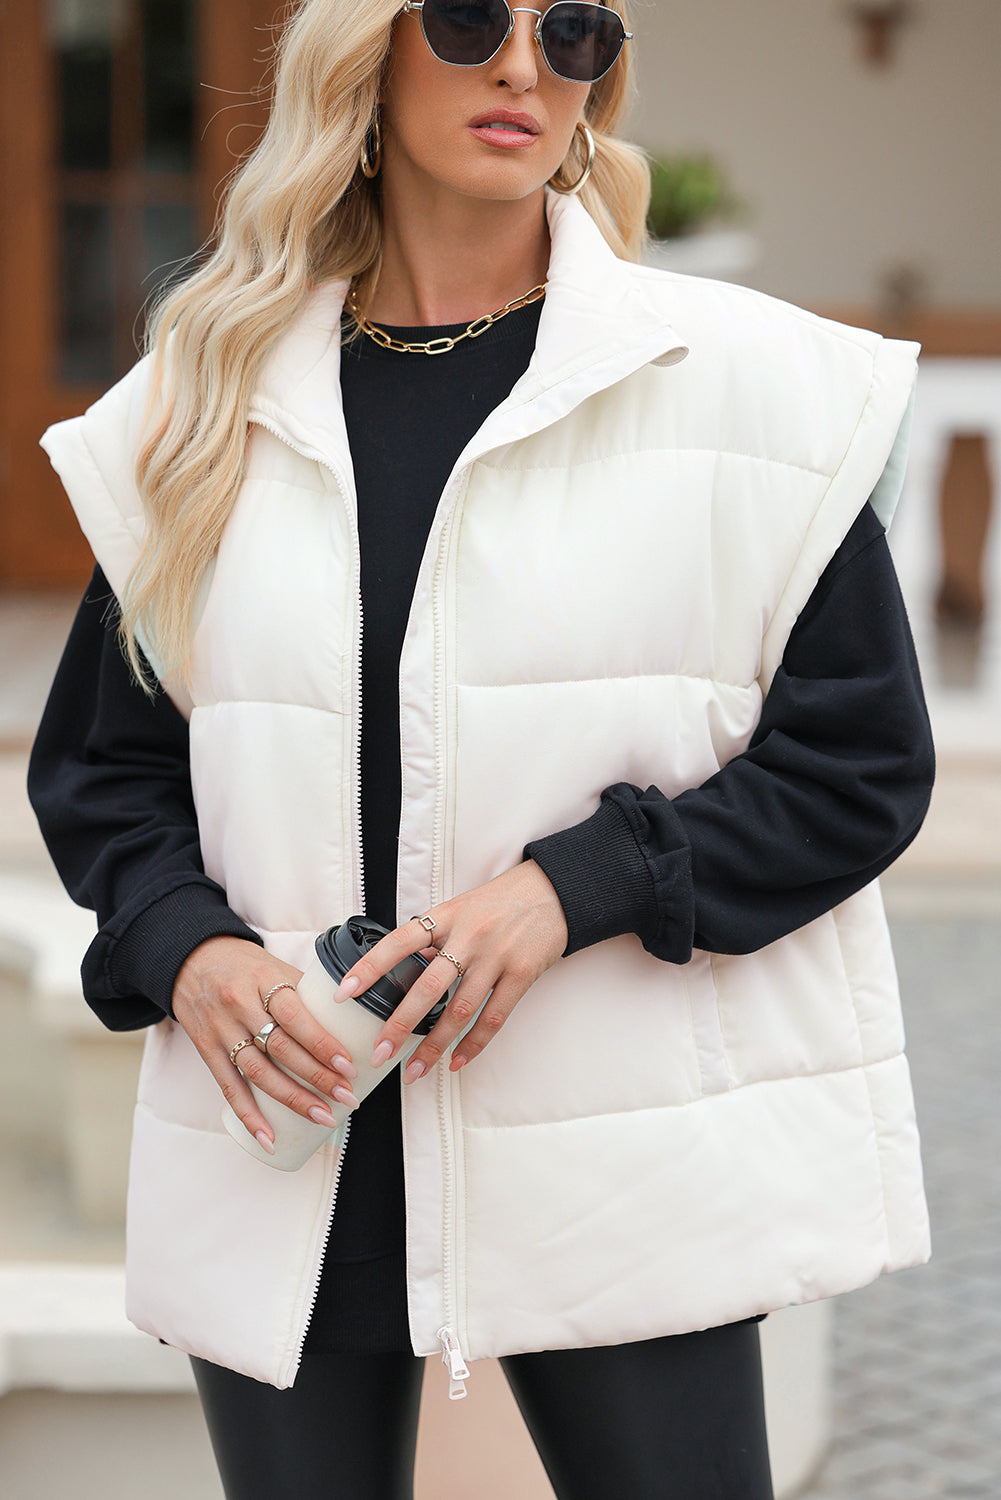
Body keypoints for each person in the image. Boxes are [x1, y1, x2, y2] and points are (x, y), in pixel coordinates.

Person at [29, 2, 934, 1496]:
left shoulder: (753, 388)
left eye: (571, 31)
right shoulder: (204, 401)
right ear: (365, 55)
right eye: (466, 18)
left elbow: (858, 764)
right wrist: (190, 950)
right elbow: (104, 768)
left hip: (615, 1133)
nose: (522, 62)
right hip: (290, 1121)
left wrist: (570, 889)